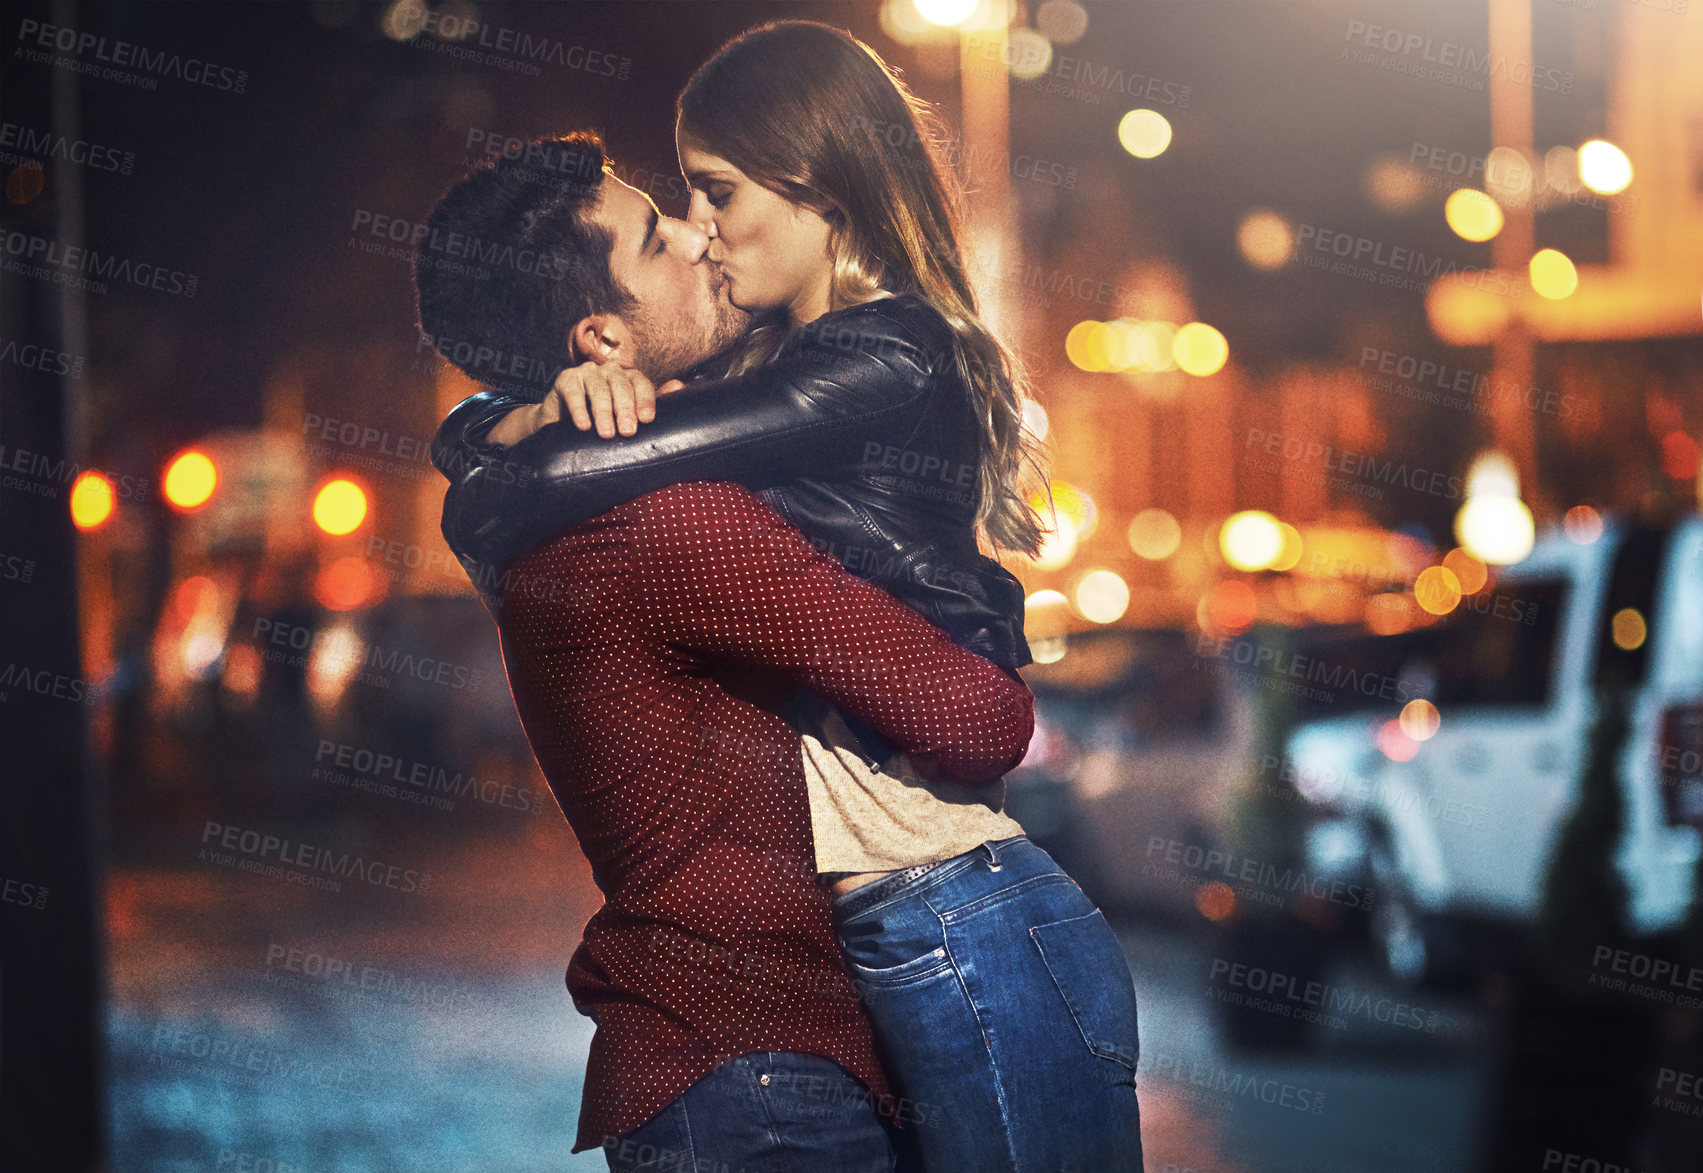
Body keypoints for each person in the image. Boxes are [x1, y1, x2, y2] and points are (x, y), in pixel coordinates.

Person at [431, 22, 1145, 1172]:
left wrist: (501, 427)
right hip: (857, 962)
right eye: (671, 221)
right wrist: (509, 416)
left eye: (710, 194)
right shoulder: (705, 435)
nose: (699, 234)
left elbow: (985, 719)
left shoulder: (877, 361)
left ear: (819, 189)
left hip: (959, 909)